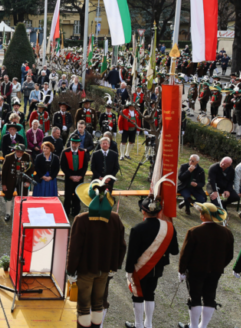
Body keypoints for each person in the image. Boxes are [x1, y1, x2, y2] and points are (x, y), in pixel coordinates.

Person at [68, 181, 126, 328]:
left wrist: (70, 271)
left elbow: (74, 249)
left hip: (85, 270)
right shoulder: (115, 218)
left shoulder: (81, 219)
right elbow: (122, 246)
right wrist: (115, 266)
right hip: (105, 270)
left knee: (83, 306)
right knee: (98, 304)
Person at [125, 195, 179, 328]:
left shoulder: (137, 229)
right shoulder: (169, 227)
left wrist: (128, 270)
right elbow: (174, 251)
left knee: (138, 295)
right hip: (158, 267)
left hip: (140, 268)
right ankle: (148, 324)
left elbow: (132, 254)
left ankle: (138, 325)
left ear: (143, 211)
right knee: (150, 294)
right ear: (159, 211)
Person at [177, 203, 234, 328]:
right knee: (209, 297)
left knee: (195, 298)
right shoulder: (227, 232)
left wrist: (181, 271)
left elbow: (185, 254)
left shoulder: (194, 232)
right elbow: (230, 255)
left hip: (195, 271)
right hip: (216, 271)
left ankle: (193, 326)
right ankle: (203, 326)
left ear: (202, 216)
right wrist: (219, 266)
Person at [1, 143, 33, 221]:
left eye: (21, 152)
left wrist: (28, 181)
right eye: (17, 151)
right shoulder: (8, 157)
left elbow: (30, 170)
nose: (19, 153)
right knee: (8, 196)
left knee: (22, 196)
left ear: (23, 152)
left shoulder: (28, 157)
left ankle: (21, 213)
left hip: (22, 180)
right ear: (15, 150)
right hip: (10, 180)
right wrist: (4, 184)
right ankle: (8, 213)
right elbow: (4, 172)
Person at [60, 136, 90, 217]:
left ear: (79, 144)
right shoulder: (65, 152)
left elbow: (85, 166)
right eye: (72, 143)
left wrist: (80, 176)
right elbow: (63, 166)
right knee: (68, 196)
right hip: (69, 177)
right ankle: (66, 212)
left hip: (79, 178)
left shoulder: (83, 152)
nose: (74, 144)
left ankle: (76, 212)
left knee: (78, 195)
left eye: (76, 143)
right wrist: (70, 176)